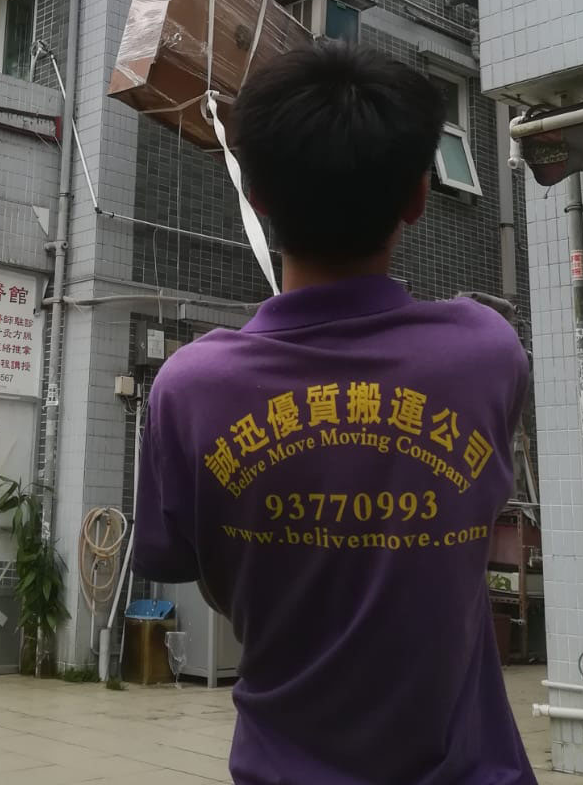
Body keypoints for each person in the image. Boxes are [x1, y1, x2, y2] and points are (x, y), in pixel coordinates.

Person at [133, 41, 536, 785]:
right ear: (417, 197)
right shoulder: (486, 353)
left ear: (256, 195)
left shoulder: (189, 389)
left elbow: (187, 566)